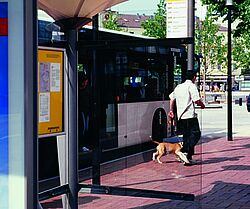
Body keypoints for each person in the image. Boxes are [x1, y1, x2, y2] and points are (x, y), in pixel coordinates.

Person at [168, 70, 205, 165]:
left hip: (181, 116)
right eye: (195, 76)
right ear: (194, 77)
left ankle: (187, 158)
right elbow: (196, 100)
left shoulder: (179, 87)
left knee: (186, 137)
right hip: (189, 115)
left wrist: (171, 110)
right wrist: (202, 105)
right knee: (196, 134)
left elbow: (172, 98)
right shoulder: (191, 86)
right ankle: (183, 151)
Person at [78, 75, 91, 152]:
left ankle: (83, 144)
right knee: (83, 128)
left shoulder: (86, 90)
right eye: (85, 81)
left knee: (85, 128)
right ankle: (82, 145)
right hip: (82, 110)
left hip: (86, 111)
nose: (86, 83)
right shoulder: (80, 90)